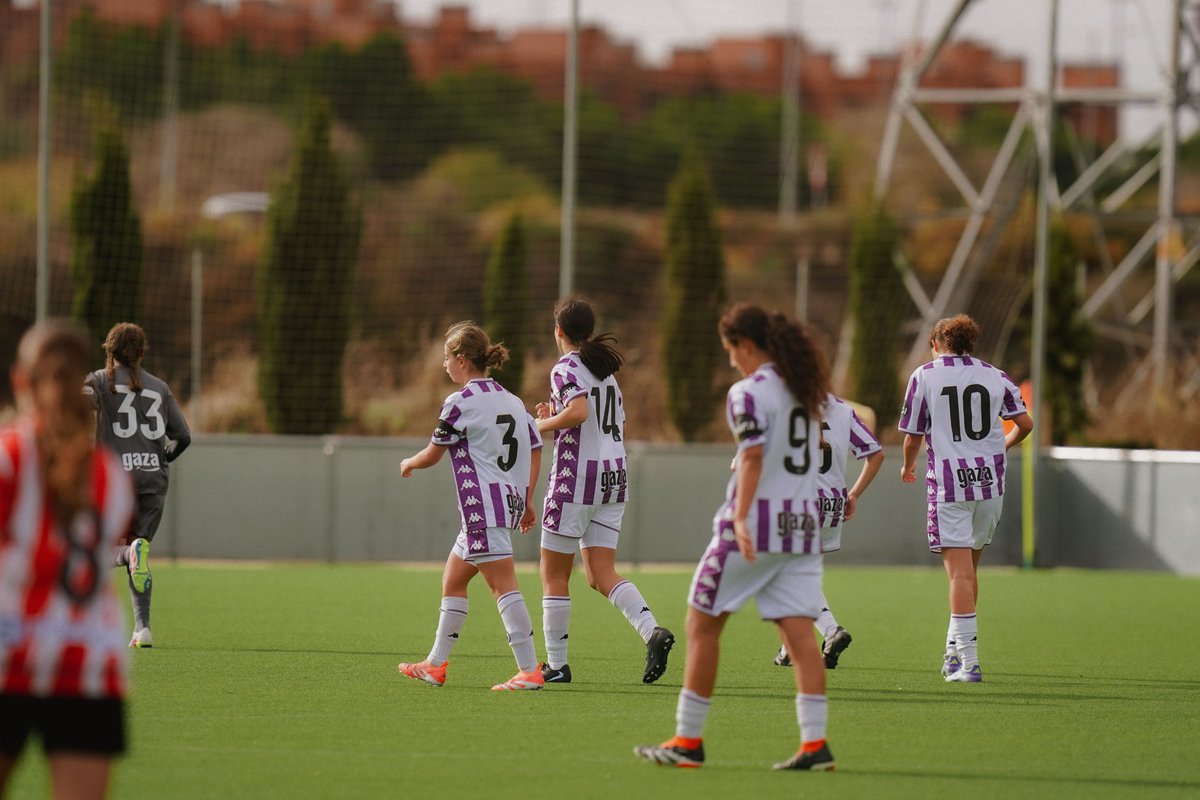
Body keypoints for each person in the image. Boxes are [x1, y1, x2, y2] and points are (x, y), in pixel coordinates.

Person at [635, 303, 836, 771]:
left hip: (756, 527)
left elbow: (752, 457)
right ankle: (815, 744)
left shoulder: (747, 392)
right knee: (800, 634)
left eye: (731, 351)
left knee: (702, 624)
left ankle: (688, 740)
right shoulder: (806, 389)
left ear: (745, 345)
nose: (731, 361)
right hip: (802, 528)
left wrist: (741, 518)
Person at [0, 320, 135, 800]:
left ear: (21, 381)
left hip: (9, 656)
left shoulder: (9, 456)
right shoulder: (109, 478)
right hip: (88, 663)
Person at [396, 322, 545, 691]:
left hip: (484, 509)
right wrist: (526, 498)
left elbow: (433, 454)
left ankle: (530, 670)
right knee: (454, 579)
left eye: (447, 358)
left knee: (503, 586)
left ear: (462, 359)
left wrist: (410, 462)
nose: (445, 365)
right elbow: (536, 445)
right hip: (500, 507)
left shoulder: (460, 402)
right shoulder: (512, 400)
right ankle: (435, 664)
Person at [534, 297, 673, 685]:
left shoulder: (565, 366)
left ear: (558, 331)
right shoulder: (604, 372)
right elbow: (594, 419)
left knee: (554, 574)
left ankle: (557, 665)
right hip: (614, 476)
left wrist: (539, 427)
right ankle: (652, 632)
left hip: (577, 478)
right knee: (599, 573)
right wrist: (555, 419)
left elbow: (579, 413)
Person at [898, 314, 1033, 683]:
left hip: (950, 484)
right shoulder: (995, 375)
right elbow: (1025, 425)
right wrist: (1000, 448)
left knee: (957, 573)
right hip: (990, 483)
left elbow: (912, 435)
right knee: (970, 572)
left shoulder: (924, 376)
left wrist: (908, 466)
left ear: (936, 344)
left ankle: (970, 662)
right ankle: (953, 653)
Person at [84, 323, 191, 649]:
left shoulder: (100, 381)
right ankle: (142, 629)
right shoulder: (159, 387)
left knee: (96, 550)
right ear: (142, 353)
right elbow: (183, 436)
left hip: (117, 481)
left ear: (109, 350)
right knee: (138, 554)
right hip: (152, 482)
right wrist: (160, 460)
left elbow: (81, 402)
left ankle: (128, 556)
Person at [774, 394, 884, 670]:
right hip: (832, 505)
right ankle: (790, 647)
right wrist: (855, 494)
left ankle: (831, 630)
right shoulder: (843, 410)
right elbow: (876, 454)